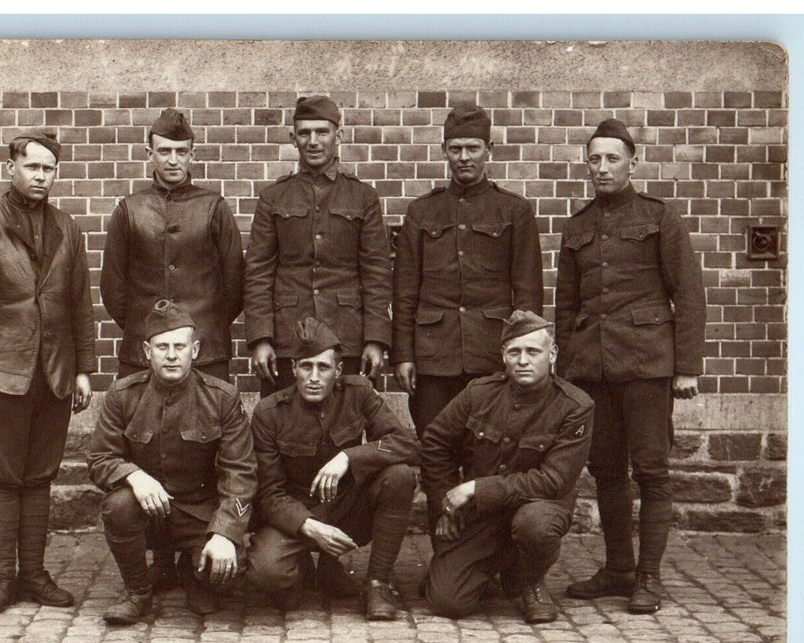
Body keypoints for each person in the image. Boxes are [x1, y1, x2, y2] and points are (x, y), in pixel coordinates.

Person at [555, 118, 706, 614]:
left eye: (612, 158)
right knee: (605, 471)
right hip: (592, 369)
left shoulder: (661, 218)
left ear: (633, 162)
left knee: (652, 470)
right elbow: (566, 305)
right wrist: (564, 368)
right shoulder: (577, 225)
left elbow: (688, 293)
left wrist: (686, 368)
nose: (602, 168)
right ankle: (618, 569)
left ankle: (649, 577)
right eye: (594, 159)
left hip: (646, 365)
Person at [0, 130, 95, 615]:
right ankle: (3, 580)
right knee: (5, 477)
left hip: (53, 374)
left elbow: (80, 305)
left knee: (40, 477)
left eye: (49, 168)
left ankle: (34, 574)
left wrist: (83, 370)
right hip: (0, 373)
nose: (40, 176)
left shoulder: (68, 228)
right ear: (11, 167)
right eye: (32, 166)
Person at [100, 107, 245, 592]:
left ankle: (194, 550)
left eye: (182, 152)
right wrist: (152, 337)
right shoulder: (130, 209)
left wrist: (197, 334)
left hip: (204, 349)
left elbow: (233, 284)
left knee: (200, 453)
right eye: (165, 151)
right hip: (148, 349)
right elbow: (113, 288)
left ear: (193, 154)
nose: (174, 160)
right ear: (149, 154)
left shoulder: (213, 207)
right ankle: (159, 558)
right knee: (153, 448)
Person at [87, 300, 257, 625]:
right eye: (162, 346)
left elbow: (242, 473)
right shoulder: (123, 396)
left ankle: (190, 569)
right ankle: (138, 592)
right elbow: (99, 458)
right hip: (150, 512)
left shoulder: (221, 398)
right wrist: (134, 476)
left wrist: (224, 534)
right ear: (146, 350)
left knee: (227, 580)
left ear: (195, 350)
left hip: (200, 516)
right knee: (118, 505)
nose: (171, 355)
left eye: (180, 346)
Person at [420, 311, 593, 624]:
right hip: (482, 514)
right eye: (514, 352)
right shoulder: (478, 394)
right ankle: (493, 566)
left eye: (533, 351)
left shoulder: (575, 406)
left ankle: (531, 581)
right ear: (503, 355)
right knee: (447, 600)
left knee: (534, 525)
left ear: (552, 354)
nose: (523, 360)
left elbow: (554, 480)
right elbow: (434, 442)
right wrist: (445, 504)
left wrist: (477, 488)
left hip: (538, 507)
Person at [245, 318, 419, 621]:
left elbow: (405, 443)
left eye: (323, 368)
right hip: (295, 515)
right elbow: (269, 495)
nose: (314, 377)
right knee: (269, 576)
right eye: (306, 367)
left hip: (346, 506)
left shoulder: (359, 392)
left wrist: (349, 457)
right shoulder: (269, 413)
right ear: (294, 369)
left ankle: (377, 583)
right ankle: (310, 569)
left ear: (337, 372)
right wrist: (311, 527)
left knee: (400, 476)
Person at [393, 104, 543, 438]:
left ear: (490, 150)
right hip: (433, 358)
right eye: (456, 148)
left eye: (473, 148)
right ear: (443, 151)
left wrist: (523, 355)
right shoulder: (421, 212)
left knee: (488, 450)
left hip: (491, 355)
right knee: (434, 448)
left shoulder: (514, 210)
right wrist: (404, 355)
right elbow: (404, 293)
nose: (464, 157)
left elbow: (528, 292)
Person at [244, 95, 392, 396]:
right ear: (292, 138)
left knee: (345, 427)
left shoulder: (363, 197)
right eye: (304, 133)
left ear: (339, 135)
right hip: (288, 339)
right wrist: (261, 338)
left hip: (345, 338)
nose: (313, 141)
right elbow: (257, 272)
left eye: (322, 132)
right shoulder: (273, 198)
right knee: (282, 426)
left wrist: (375, 340)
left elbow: (376, 272)